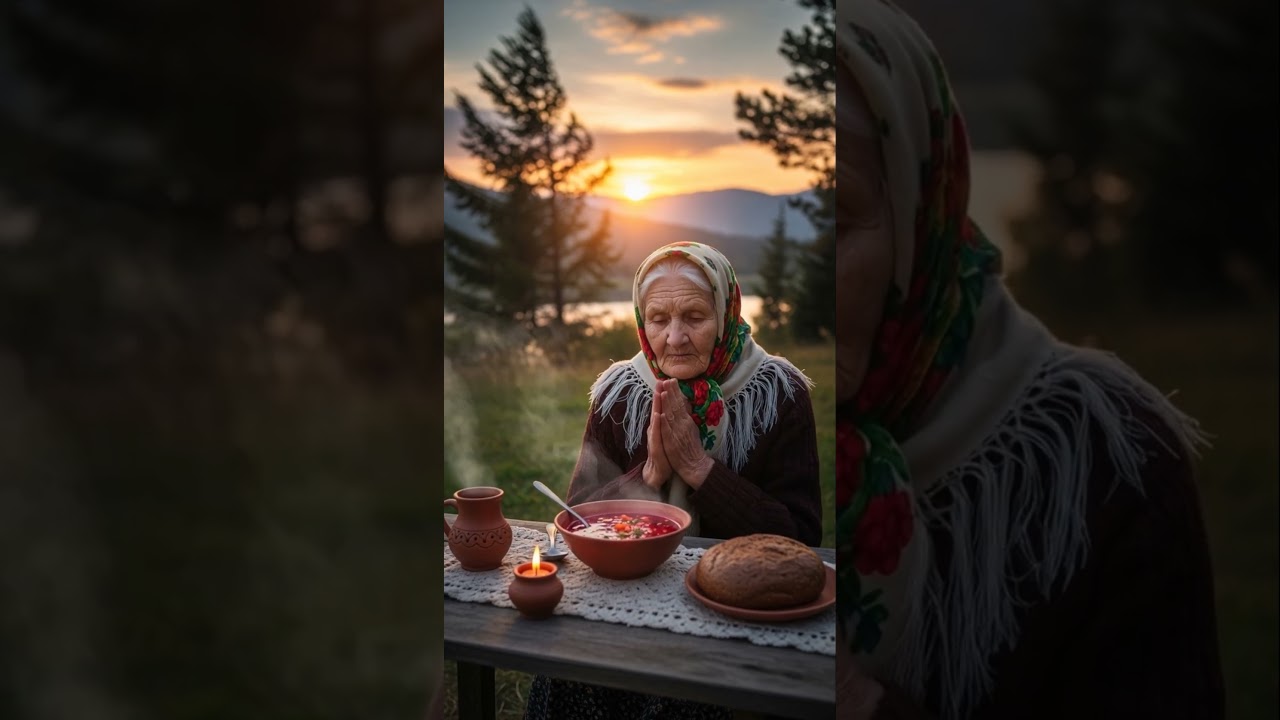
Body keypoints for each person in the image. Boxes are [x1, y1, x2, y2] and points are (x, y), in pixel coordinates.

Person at [833, 3, 1225, 720]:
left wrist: (858, 704)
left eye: (833, 212)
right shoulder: (728, 428)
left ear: (921, 213)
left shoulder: (1107, 465)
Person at [524, 241, 823, 719]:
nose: (675, 338)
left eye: (695, 316)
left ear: (727, 311)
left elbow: (804, 540)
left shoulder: (778, 393)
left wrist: (701, 471)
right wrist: (649, 475)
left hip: (735, 611)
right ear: (642, 322)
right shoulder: (619, 392)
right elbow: (575, 516)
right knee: (573, 673)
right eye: (659, 319)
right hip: (626, 591)